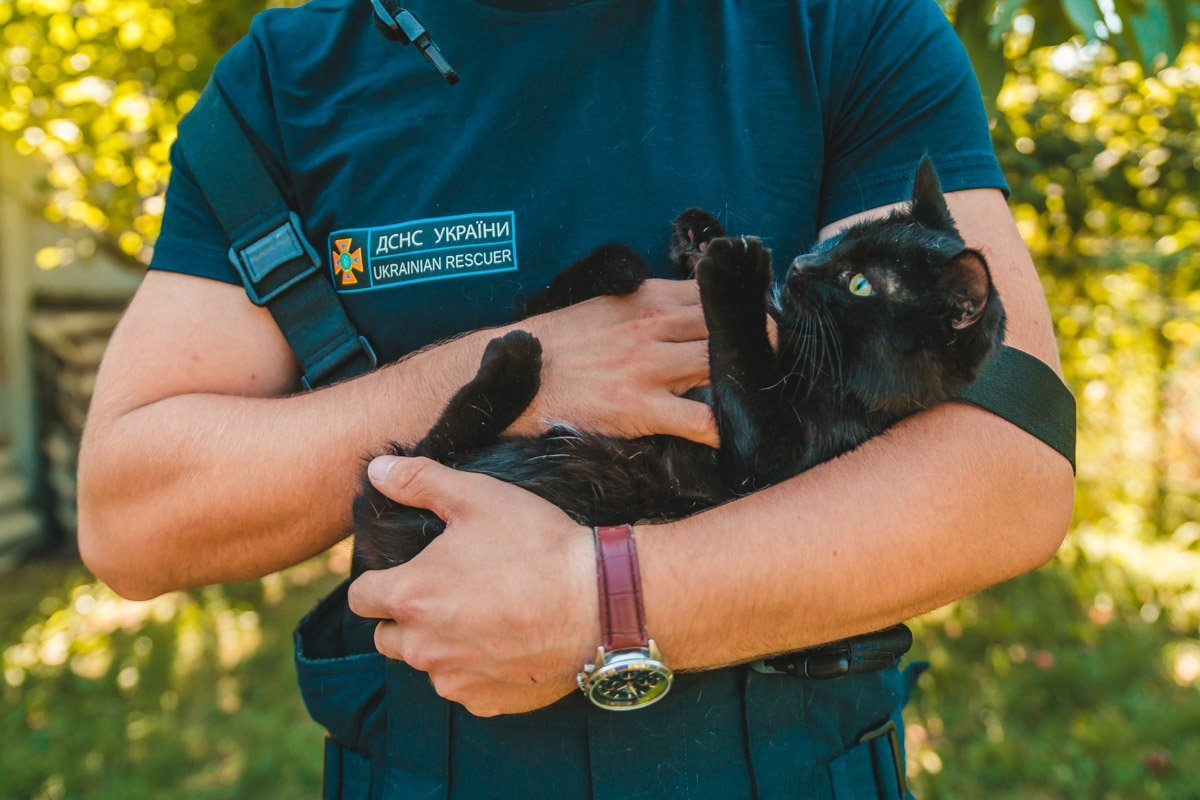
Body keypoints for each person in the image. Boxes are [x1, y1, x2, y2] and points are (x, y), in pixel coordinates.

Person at [77, 0, 1075, 796]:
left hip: (790, 762)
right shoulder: (280, 87)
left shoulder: (846, 24)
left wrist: (606, 601)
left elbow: (1010, 463)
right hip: (432, 761)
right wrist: (511, 374)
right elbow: (130, 516)